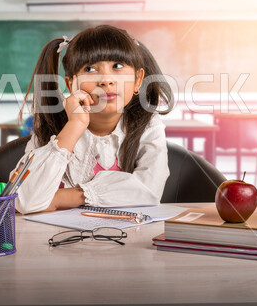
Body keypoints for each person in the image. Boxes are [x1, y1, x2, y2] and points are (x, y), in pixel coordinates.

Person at [12, 25, 174, 214]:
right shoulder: (51, 128)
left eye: (118, 66)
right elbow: (24, 200)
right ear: (71, 84)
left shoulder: (148, 125)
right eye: (90, 68)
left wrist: (60, 199)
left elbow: (149, 190)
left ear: (138, 80)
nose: (106, 80)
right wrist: (75, 125)